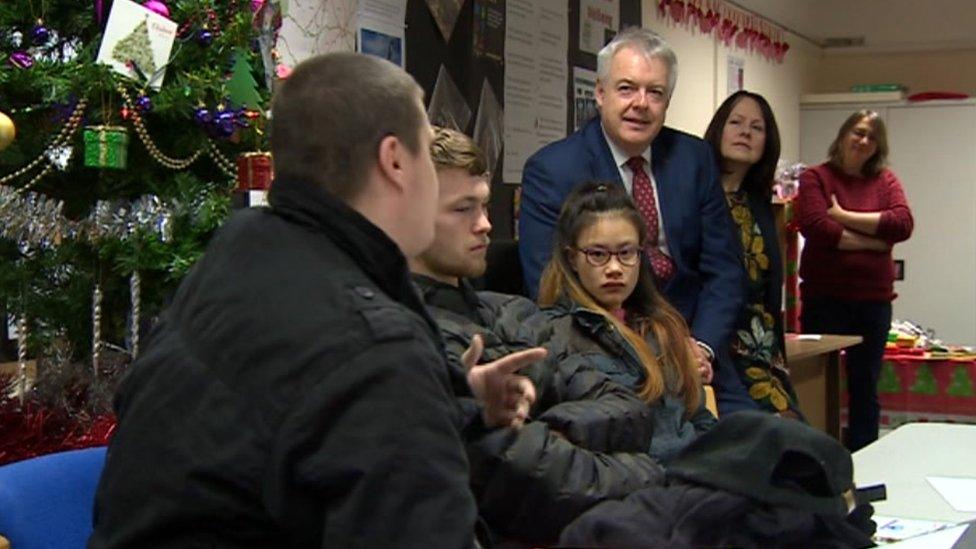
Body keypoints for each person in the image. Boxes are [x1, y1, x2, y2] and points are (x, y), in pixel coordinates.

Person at [90, 53, 544, 548]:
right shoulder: (376, 347)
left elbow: (296, 420)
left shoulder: (245, 246)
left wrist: (460, 401)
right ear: (395, 161)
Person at [409, 126, 666, 544]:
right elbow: (535, 479)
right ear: (409, 214)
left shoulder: (514, 311)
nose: (486, 225)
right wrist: (652, 472)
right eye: (463, 210)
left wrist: (552, 428)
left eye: (485, 206)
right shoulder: (415, 337)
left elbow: (629, 407)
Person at [517, 26, 751, 414]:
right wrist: (650, 351)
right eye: (627, 88)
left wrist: (700, 346)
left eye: (654, 92)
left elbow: (725, 270)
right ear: (600, 93)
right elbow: (550, 287)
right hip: (608, 360)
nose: (640, 103)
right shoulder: (553, 170)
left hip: (698, 351)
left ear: (667, 101)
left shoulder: (694, 159)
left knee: (768, 448)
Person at [537, 182, 716, 463]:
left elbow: (697, 416)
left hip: (693, 473)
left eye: (626, 253)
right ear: (572, 258)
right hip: (634, 484)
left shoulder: (660, 325)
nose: (614, 268)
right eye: (597, 254)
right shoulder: (555, 335)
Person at [795, 110, 914, 451]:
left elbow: (903, 224)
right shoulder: (815, 177)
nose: (864, 141)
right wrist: (877, 241)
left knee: (865, 388)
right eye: (858, 132)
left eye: (872, 137)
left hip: (872, 304)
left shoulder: (885, 181)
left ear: (879, 146)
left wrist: (844, 216)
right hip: (825, 300)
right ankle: (815, 455)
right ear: (844, 134)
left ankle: (865, 457)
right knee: (816, 384)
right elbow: (817, 227)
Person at [702, 90, 802, 418]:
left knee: (800, 437)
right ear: (718, 130)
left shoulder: (761, 206)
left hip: (765, 354)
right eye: (736, 122)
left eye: (757, 127)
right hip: (719, 352)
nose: (745, 132)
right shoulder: (697, 200)